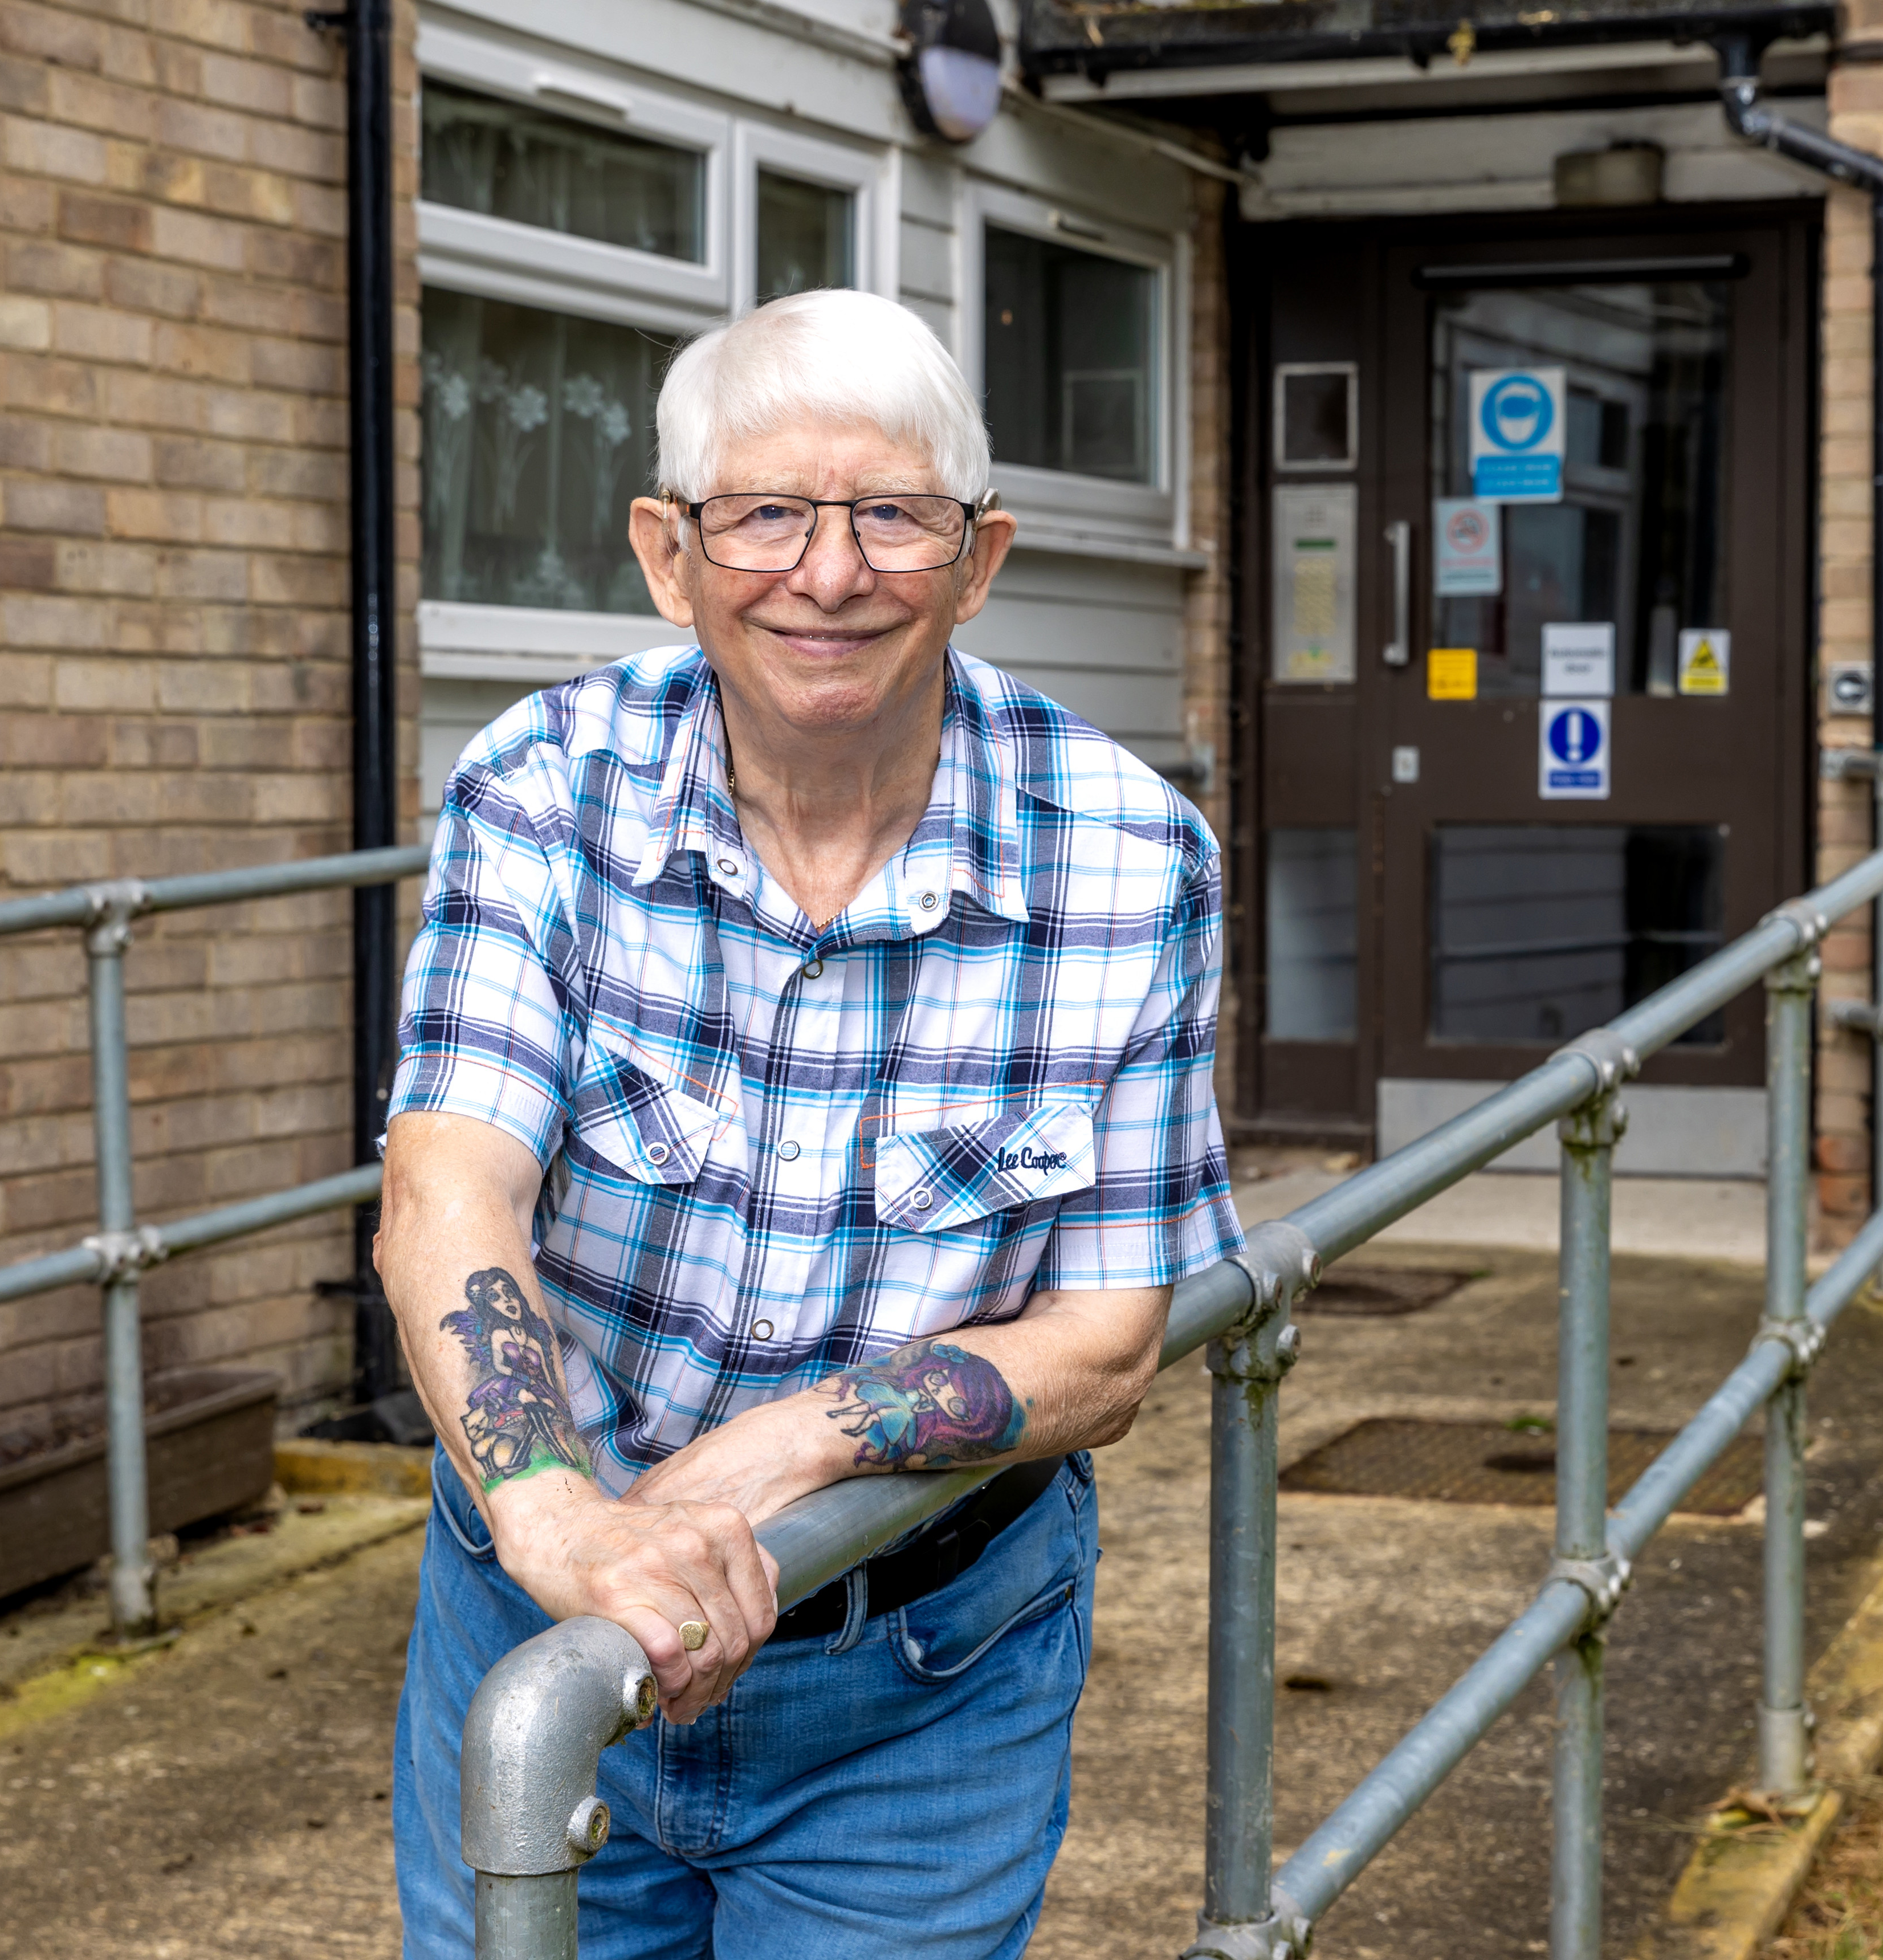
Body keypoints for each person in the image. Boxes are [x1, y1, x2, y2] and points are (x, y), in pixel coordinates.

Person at [378, 287, 1241, 1959]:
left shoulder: (1136, 862)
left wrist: (792, 1445)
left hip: (923, 1682)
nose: (827, 574)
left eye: (891, 520)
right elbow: (448, 1190)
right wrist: (566, 1528)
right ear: (667, 552)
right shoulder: (541, 790)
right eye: (764, 513)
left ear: (978, 560)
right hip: (537, 1625)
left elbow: (1112, 1341)